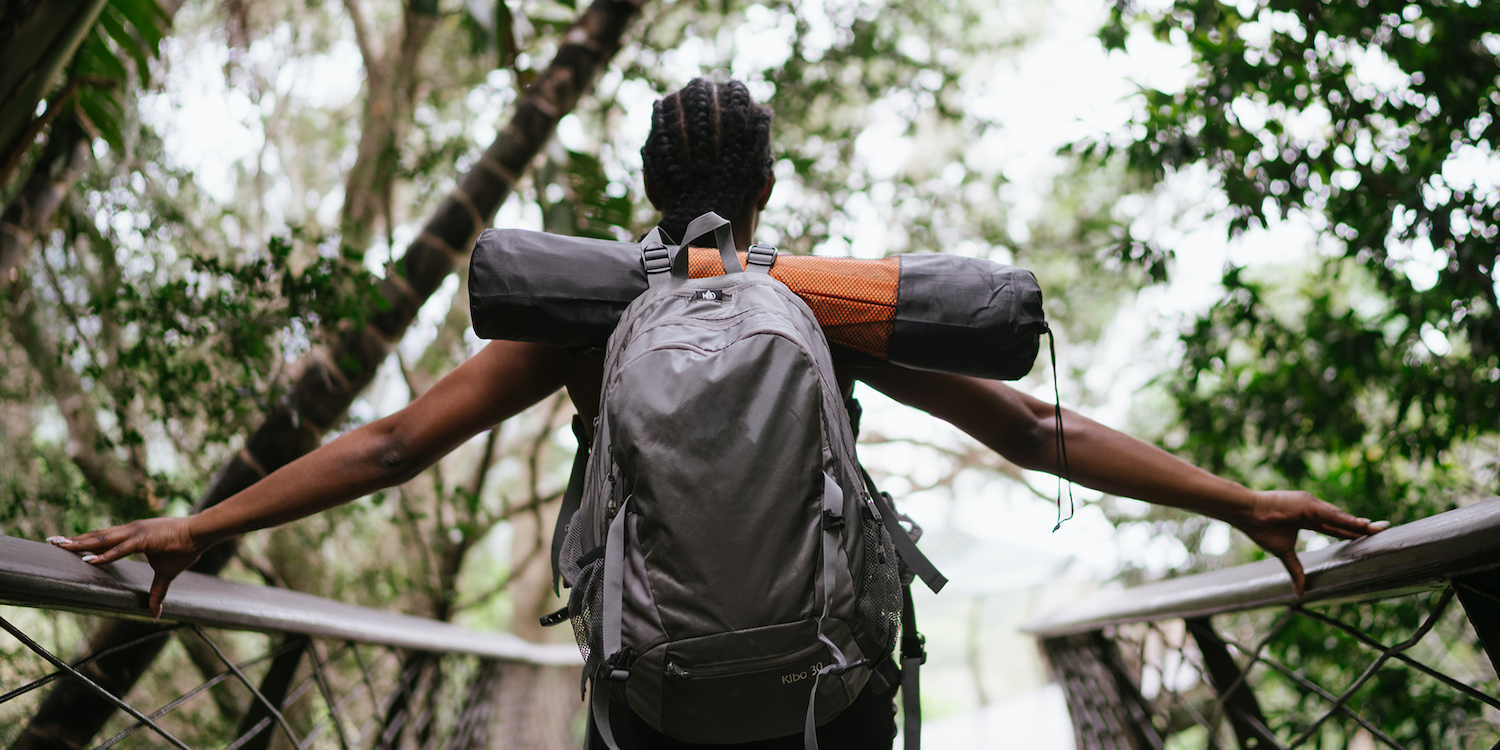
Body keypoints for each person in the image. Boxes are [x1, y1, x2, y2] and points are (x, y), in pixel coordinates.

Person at [50, 78, 1388, 748]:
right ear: (763, 193)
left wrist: (202, 521)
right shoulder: (825, 301)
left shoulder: (592, 314)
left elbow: (395, 445)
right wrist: (1238, 497)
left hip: (657, 695)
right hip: (833, 685)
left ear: (646, 188)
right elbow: (1036, 431)